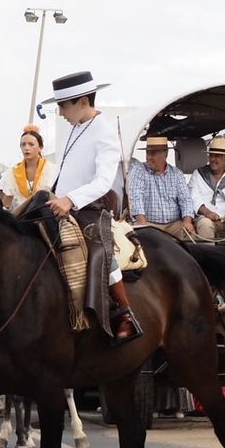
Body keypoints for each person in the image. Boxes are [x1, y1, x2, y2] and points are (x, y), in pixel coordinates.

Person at [42, 70, 138, 340]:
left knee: (99, 252)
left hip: (90, 209)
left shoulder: (104, 133)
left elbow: (103, 181)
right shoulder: (73, 130)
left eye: (63, 105)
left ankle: (125, 313)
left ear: (82, 102)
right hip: (60, 206)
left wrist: (70, 199)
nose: (60, 112)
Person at [127, 136, 196, 240]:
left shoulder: (176, 173)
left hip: (174, 225)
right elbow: (135, 198)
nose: (149, 157)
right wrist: (143, 225)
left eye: (153, 153)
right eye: (147, 153)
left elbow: (185, 199)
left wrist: (187, 221)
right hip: (150, 224)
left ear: (165, 154)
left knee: (190, 234)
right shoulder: (139, 170)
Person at [0, 125, 53, 210]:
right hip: (21, 217)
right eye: (23, 144)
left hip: (46, 215)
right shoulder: (12, 173)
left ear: (40, 147)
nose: (26, 148)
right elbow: (6, 204)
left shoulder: (51, 170)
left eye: (31, 144)